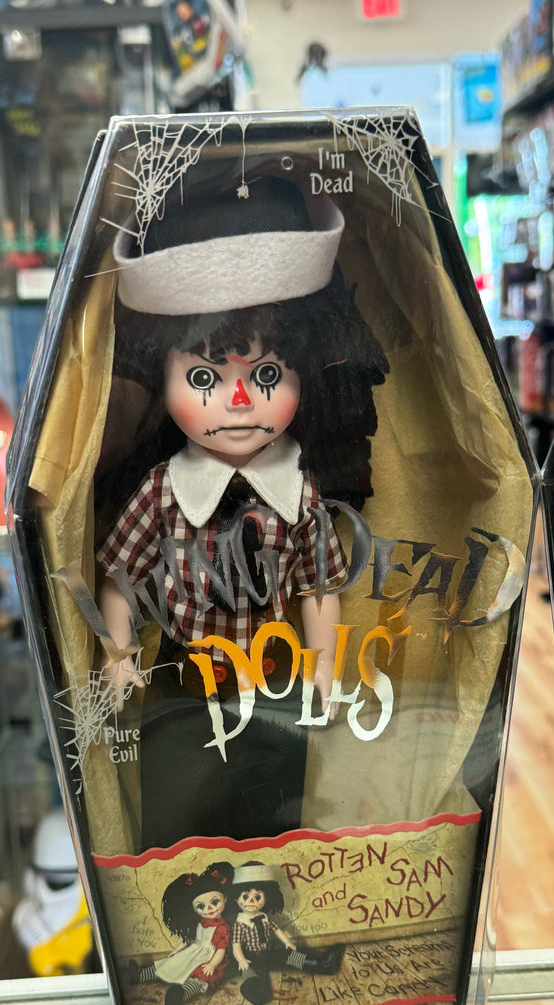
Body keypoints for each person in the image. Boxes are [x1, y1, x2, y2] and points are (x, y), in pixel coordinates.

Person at [96, 173, 389, 848]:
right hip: (183, 684)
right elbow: (119, 578)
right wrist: (117, 654)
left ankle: (265, 883)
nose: (237, 402)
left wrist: (323, 668)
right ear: (161, 379)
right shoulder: (163, 491)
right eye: (203, 377)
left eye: (265, 375)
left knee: (272, 809)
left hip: (276, 679)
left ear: (303, 376)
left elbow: (318, 588)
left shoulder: (300, 491)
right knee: (177, 815)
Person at [229, 860, 343, 1005]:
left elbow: (276, 929)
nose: (251, 900)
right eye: (245, 896)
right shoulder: (240, 923)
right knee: (250, 973)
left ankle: (321, 964)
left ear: (266, 898)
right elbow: (236, 946)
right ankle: (254, 991)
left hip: (267, 952)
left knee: (287, 955)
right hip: (250, 958)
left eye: (257, 897)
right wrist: (241, 960)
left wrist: (287, 942)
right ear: (236, 898)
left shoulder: (263, 917)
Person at [130, 861, 233, 1005]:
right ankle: (140, 976)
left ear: (225, 898)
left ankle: (182, 994)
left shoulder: (222, 927)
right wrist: (177, 950)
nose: (209, 909)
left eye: (215, 902)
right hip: (195, 951)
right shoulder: (201, 922)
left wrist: (212, 964)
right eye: (201, 906)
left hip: (211, 958)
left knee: (200, 976)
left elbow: (221, 950)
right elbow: (191, 940)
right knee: (170, 962)